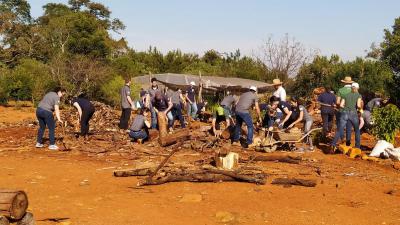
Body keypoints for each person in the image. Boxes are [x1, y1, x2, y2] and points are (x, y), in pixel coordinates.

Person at [331, 82, 363, 151]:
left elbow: (341, 105)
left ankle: (333, 144)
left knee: (339, 129)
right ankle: (357, 146)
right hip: (353, 113)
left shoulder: (346, 95)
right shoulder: (359, 95)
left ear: (351, 88)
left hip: (344, 112)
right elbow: (358, 105)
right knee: (357, 130)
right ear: (357, 88)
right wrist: (360, 109)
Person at [336, 76, 354, 146]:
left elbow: (337, 102)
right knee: (349, 127)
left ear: (344, 83)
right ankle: (348, 142)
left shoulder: (341, 90)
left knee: (340, 125)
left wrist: (338, 106)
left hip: (342, 110)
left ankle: (342, 138)